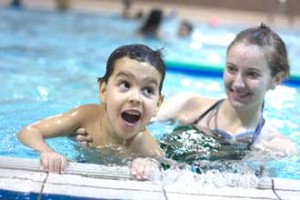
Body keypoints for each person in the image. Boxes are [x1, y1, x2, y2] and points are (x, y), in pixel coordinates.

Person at [18, 44, 165, 180]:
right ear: (104, 91)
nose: (135, 98)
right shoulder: (86, 117)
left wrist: (149, 164)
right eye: (125, 84)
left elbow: (169, 169)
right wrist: (48, 152)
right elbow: (29, 131)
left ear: (157, 104)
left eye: (148, 90)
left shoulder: (146, 147)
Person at [156, 23, 297, 162]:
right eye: (232, 69)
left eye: (252, 74)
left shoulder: (275, 147)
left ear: (276, 80)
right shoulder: (185, 105)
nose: (238, 83)